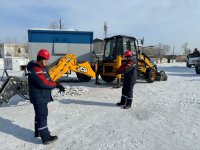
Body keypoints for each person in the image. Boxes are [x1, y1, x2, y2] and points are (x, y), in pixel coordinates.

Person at [27, 49, 65, 145]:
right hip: (39, 96)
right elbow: (43, 83)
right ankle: (46, 137)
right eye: (46, 60)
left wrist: (57, 83)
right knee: (42, 116)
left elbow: (47, 79)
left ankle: (38, 133)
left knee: (39, 115)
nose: (47, 62)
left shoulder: (41, 67)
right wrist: (55, 85)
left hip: (40, 95)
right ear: (40, 59)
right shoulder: (36, 68)